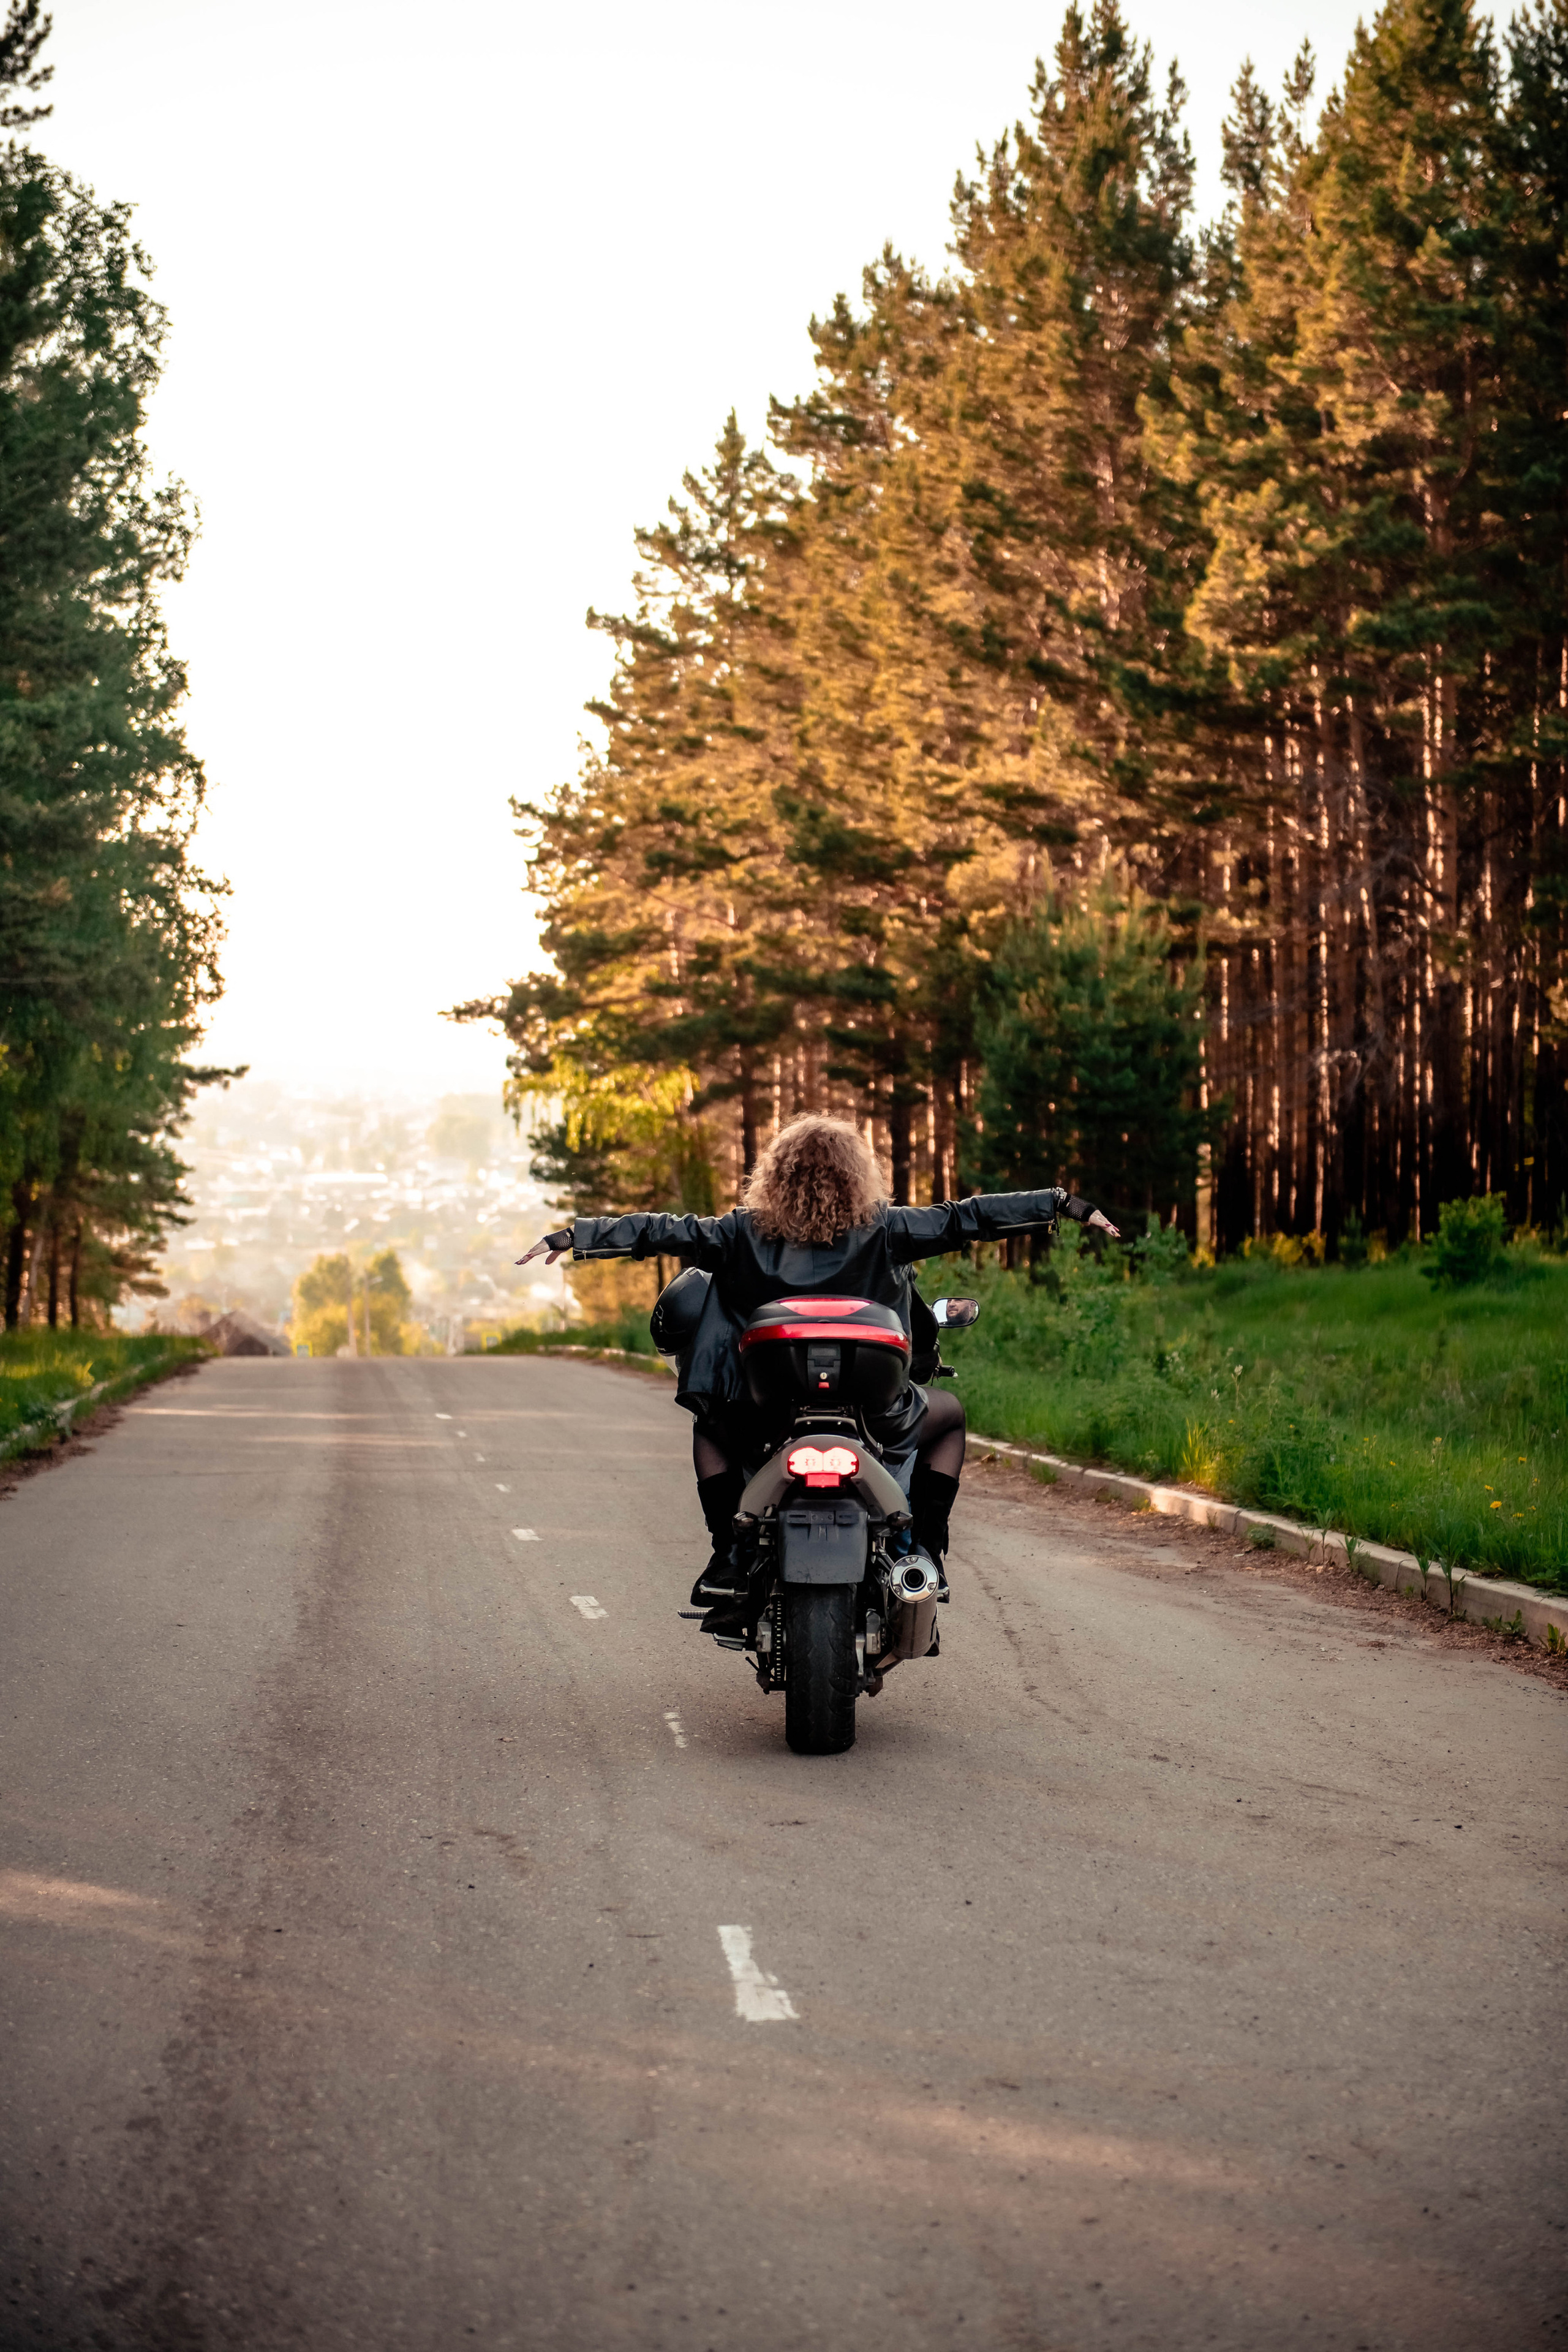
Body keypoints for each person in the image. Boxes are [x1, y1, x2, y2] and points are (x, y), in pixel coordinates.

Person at [519, 1115, 1120, 1623]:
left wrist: (574, 1235)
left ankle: (728, 1552)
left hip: (766, 1407)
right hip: (872, 1404)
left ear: (776, 1174)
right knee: (949, 1418)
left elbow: (659, 1231)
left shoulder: (738, 1233)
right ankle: (927, 1551)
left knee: (710, 1429)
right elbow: (968, 1217)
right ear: (856, 1174)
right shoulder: (885, 1229)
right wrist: (1063, 1204)